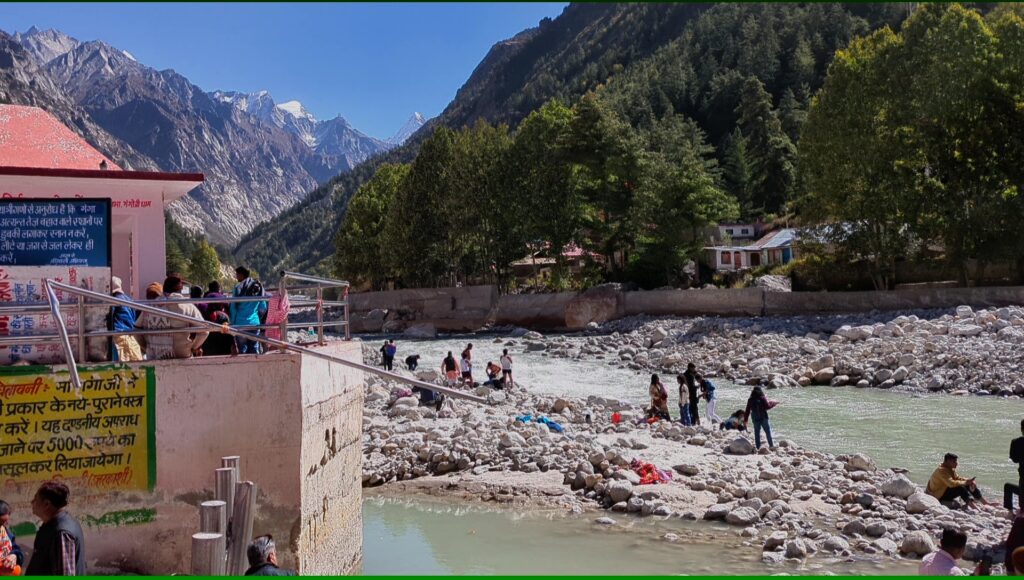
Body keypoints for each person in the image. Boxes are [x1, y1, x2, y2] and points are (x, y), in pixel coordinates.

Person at [135, 276, 209, 360]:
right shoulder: (188, 306)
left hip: (154, 355)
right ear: (181, 289)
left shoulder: (151, 306)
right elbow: (204, 331)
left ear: (164, 288)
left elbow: (136, 329)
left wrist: (146, 347)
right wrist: (193, 347)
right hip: (182, 355)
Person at [25, 482, 85, 576]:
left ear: (46, 504)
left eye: (35, 499)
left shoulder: (62, 533)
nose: (32, 502)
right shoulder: (52, 523)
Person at [230, 267, 267, 355]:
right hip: (254, 324)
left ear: (242, 275)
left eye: (237, 274)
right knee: (254, 349)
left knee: (242, 350)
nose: (236, 276)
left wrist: (233, 323)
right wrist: (257, 317)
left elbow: (233, 308)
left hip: (240, 324)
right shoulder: (258, 287)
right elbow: (263, 307)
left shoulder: (238, 288)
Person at [919, 528, 985, 576]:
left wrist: (973, 575)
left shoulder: (926, 559)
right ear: (960, 550)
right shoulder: (954, 572)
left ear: (941, 542)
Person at [107, 276, 142, 362]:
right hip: (131, 335)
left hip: (120, 335)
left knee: (122, 362)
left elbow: (109, 318)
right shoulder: (129, 299)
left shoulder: (113, 300)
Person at [0, 500, 23, 575]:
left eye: (5, 522)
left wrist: (14, 555)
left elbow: (16, 549)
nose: (2, 526)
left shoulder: (7, 533)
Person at [1008, 420, 1024, 515]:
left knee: (1009, 487)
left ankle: (1012, 513)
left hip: (1023, 473)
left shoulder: (1015, 442)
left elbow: (1014, 459)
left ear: (1021, 429)